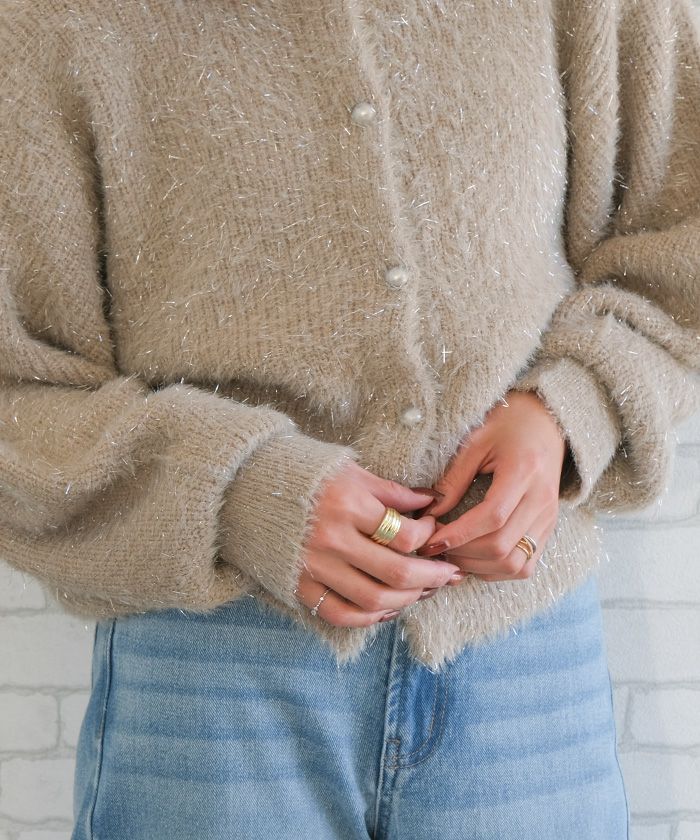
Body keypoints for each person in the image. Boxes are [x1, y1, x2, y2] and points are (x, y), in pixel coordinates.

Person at [1, 0, 698, 837]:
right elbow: (16, 387)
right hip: (210, 673)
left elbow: (681, 243)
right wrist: (236, 491)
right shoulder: (56, 21)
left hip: (524, 660)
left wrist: (567, 413)